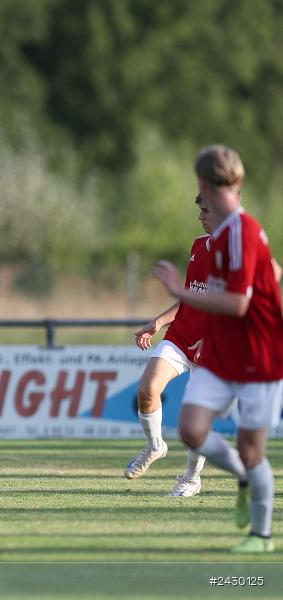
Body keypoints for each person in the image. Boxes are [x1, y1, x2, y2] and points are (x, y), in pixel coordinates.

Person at [153, 144, 283, 553]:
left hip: (260, 357)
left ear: (202, 185)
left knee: (251, 450)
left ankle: (260, 537)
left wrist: (179, 292)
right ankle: (244, 475)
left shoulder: (241, 232)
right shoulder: (223, 235)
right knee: (192, 429)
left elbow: (238, 303)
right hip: (224, 352)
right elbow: (272, 272)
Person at [128, 194, 213, 496]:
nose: (201, 216)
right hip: (181, 336)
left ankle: (191, 480)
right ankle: (155, 446)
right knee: (147, 391)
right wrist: (160, 321)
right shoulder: (198, 246)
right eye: (201, 210)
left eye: (206, 211)